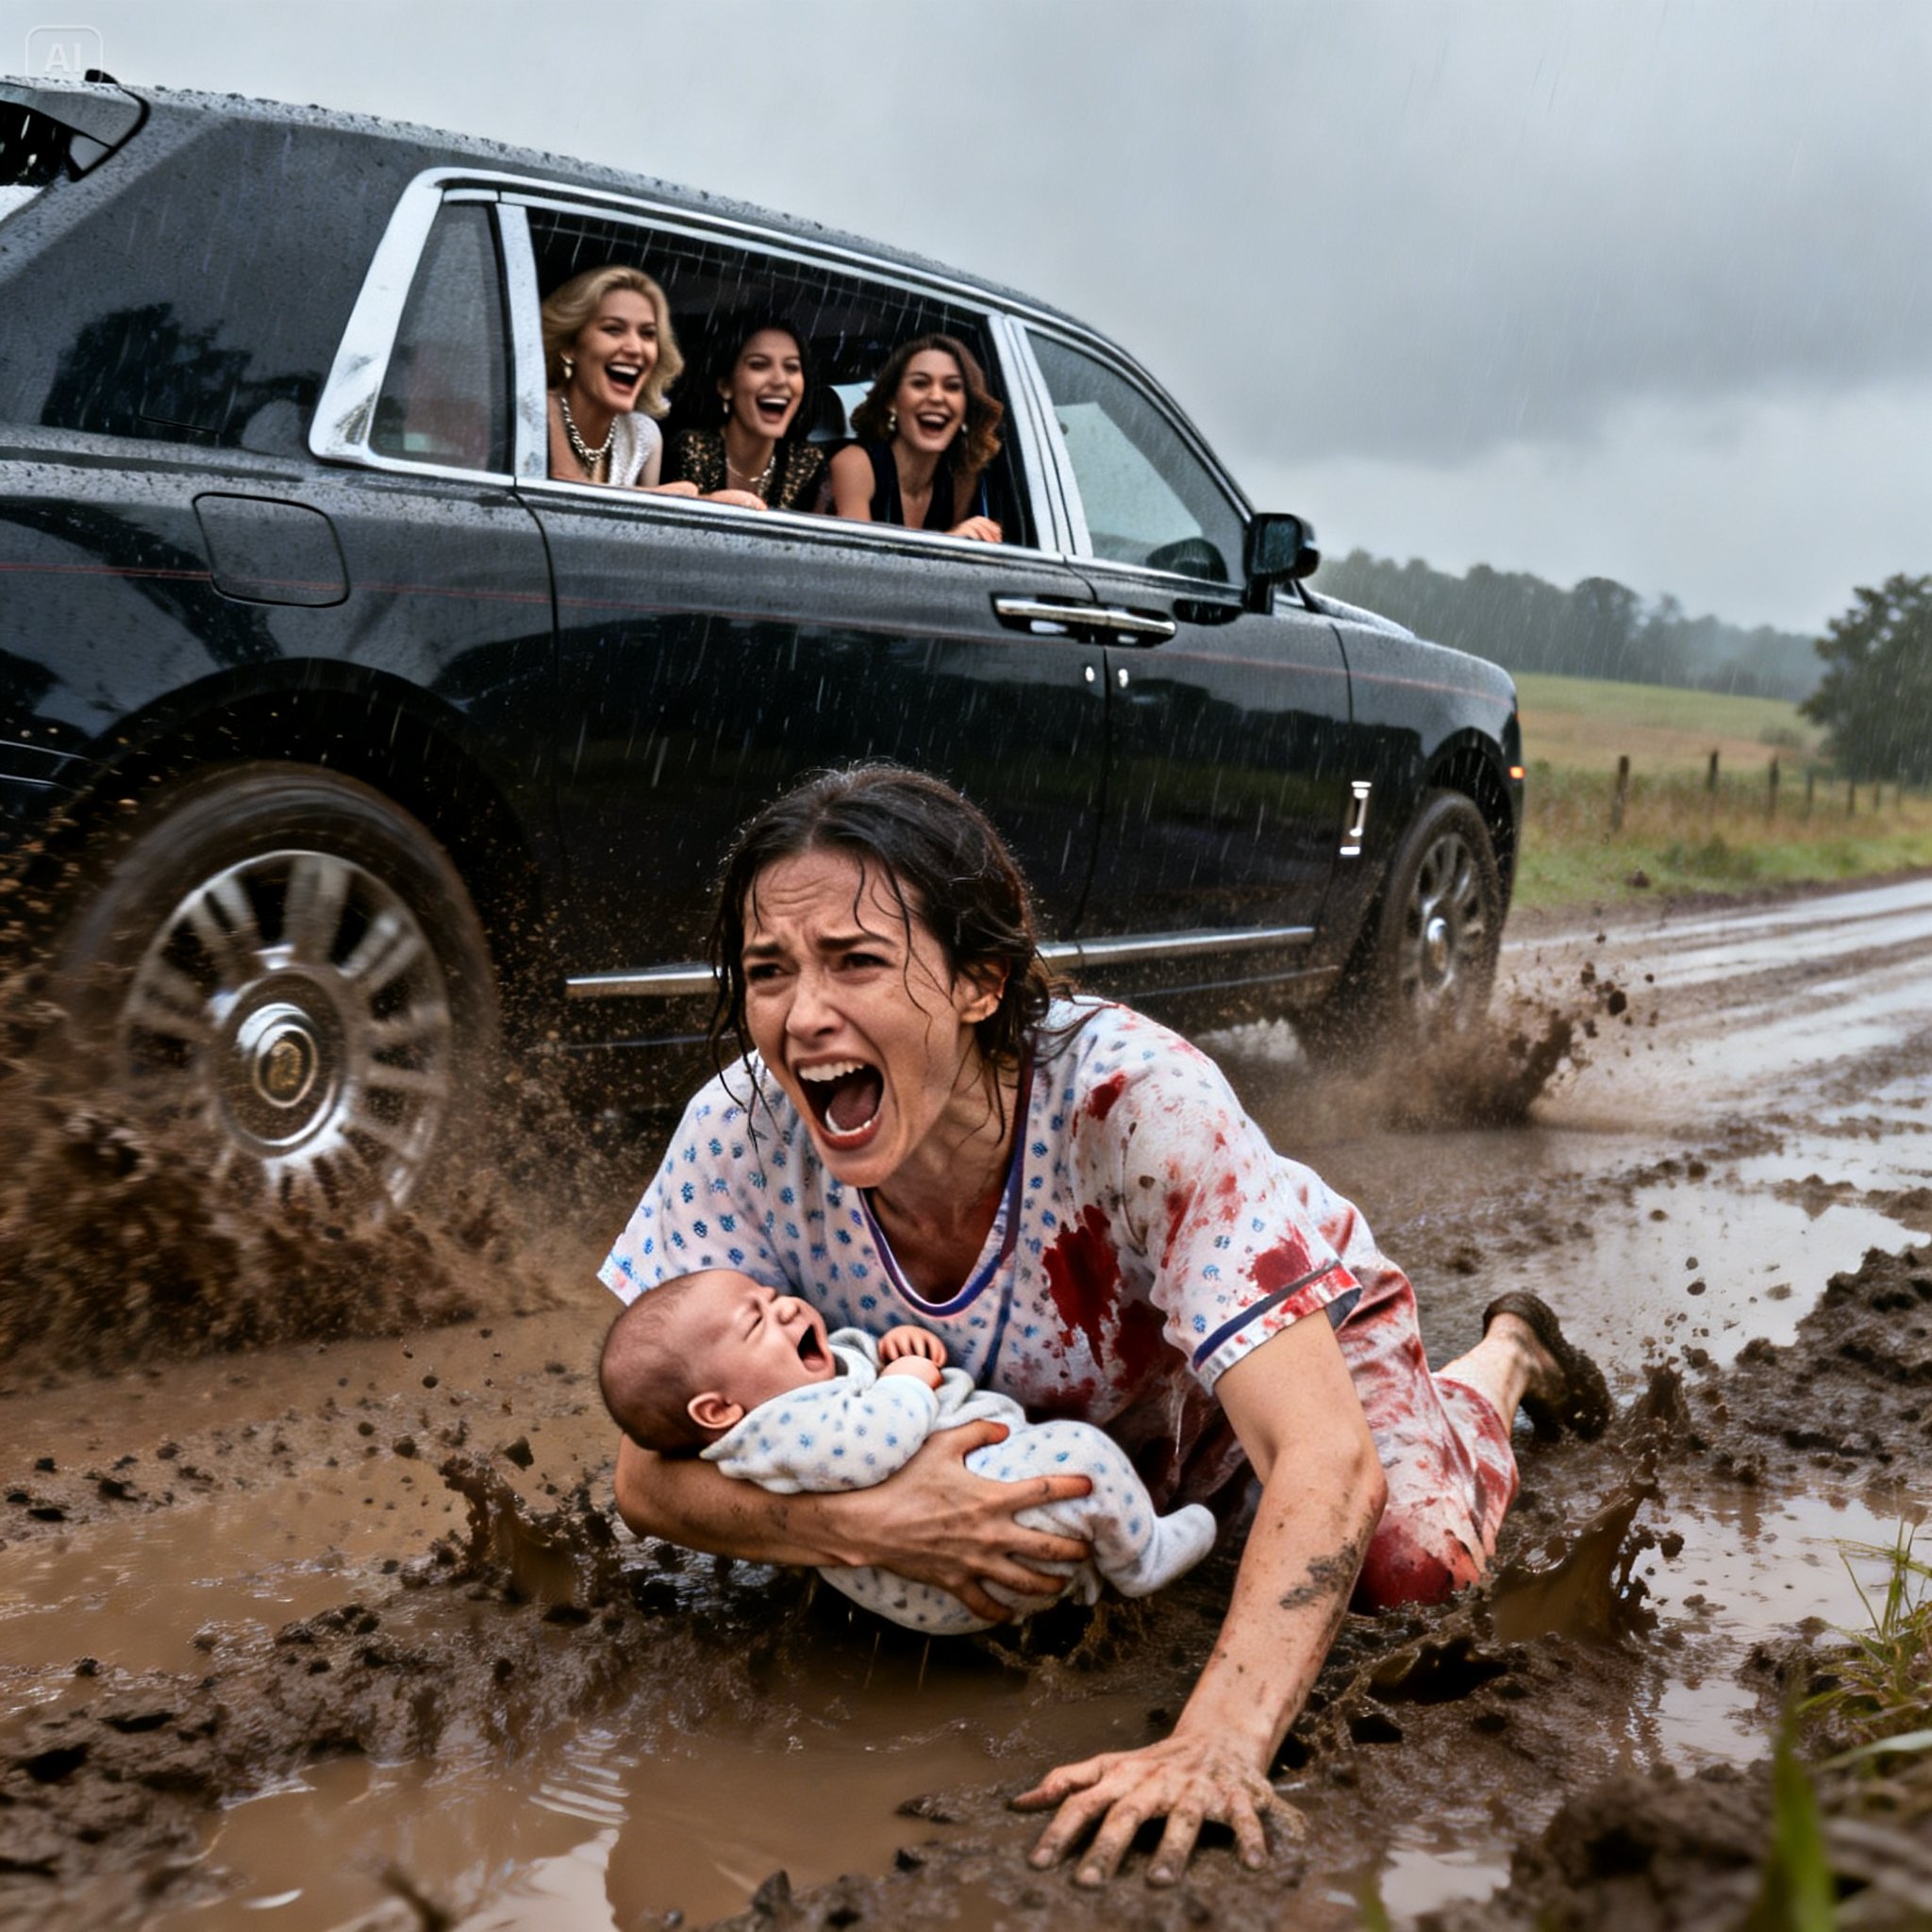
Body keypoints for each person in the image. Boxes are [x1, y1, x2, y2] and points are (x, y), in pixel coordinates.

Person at [601, 763, 1610, 1888]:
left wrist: (1214, 1745)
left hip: (1264, 1368)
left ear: (981, 978)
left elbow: (1321, 1457)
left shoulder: (1132, 1100)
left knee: (1411, 1568)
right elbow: (644, 1474)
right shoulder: (736, 1136)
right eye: (767, 972)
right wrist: (878, 1525)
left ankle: (1499, 1362)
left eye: (856, 960)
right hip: (1073, 1441)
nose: (801, 1016)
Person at [600, 1266, 1219, 1634]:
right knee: (1081, 1454)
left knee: (1062, 1508)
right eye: (758, 1322)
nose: (786, 1306)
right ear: (717, 1411)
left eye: (769, 1295)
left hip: (940, 1573)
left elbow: (849, 1377)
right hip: (938, 1575)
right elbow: (870, 1444)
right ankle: (1144, 1559)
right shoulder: (774, 1429)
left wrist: (893, 1354)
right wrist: (906, 1382)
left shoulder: (784, 1403)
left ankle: (1086, 1574)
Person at [540, 264, 761, 507]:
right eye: (613, 329)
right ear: (570, 345)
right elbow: (561, 500)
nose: (635, 348)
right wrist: (673, 497)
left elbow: (639, 532)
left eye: (647, 334)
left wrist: (705, 503)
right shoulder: (537, 412)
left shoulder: (643, 435)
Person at [828, 334, 1004, 541]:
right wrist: (950, 542)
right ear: (892, 400)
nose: (937, 397)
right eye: (920, 384)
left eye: (953, 386)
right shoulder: (854, 464)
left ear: (966, 408)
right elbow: (854, 563)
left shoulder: (961, 477)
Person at [662, 317, 828, 511]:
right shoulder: (691, 449)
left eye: (792, 367)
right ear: (725, 386)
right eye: (759, 365)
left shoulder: (807, 463)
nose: (780, 380)